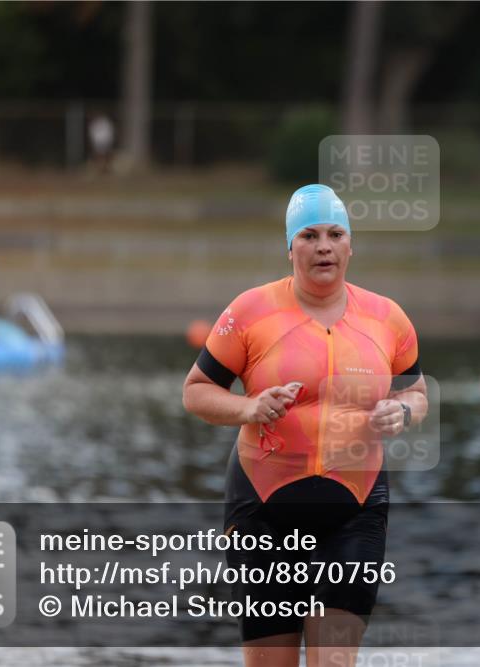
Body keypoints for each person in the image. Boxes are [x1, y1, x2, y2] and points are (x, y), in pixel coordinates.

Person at [183, 184, 428, 667]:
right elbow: (196, 392)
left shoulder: (387, 317)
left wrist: (401, 413)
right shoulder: (251, 311)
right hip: (264, 508)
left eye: (335, 234)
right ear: (289, 247)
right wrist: (248, 408)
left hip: (355, 509)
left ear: (350, 245)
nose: (323, 246)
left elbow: (417, 394)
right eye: (309, 235)